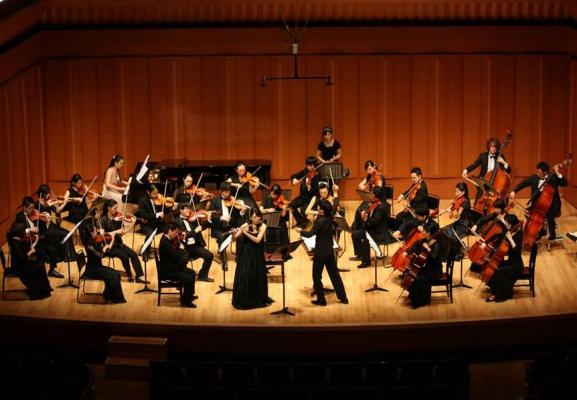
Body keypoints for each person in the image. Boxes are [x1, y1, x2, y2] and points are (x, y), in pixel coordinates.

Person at [300, 199, 348, 306]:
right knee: (334, 275)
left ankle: (321, 300)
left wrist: (301, 232)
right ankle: (343, 297)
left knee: (316, 276)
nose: (317, 208)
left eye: (318, 207)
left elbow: (310, 234)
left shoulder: (320, 221)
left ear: (322, 210)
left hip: (320, 252)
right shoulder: (330, 218)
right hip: (329, 250)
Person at [510, 161, 568, 241]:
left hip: (553, 204)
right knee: (528, 213)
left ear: (545, 172)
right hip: (538, 203)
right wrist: (514, 191)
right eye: (537, 171)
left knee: (549, 216)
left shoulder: (553, 177)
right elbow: (524, 183)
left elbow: (565, 183)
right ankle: (541, 231)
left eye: (539, 172)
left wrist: (558, 173)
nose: (537, 173)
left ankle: (553, 234)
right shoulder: (534, 177)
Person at [404, 232, 460, 309]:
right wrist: (410, 252)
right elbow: (418, 244)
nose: (427, 235)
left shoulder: (441, 244)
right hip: (429, 268)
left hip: (435, 271)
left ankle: (420, 301)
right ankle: (415, 297)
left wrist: (428, 248)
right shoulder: (432, 241)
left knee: (419, 278)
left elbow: (436, 259)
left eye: (428, 233)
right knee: (415, 275)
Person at [231, 208, 274, 310]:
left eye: (259, 216)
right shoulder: (245, 225)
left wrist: (246, 233)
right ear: (250, 217)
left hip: (257, 254)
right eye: (255, 217)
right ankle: (246, 299)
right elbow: (234, 238)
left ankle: (258, 298)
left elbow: (258, 240)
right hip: (246, 255)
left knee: (258, 275)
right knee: (247, 276)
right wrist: (234, 233)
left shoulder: (263, 226)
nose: (257, 218)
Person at [14, 196, 64, 278]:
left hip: (36, 241)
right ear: (24, 208)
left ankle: (51, 271)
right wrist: (30, 230)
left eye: (33, 207)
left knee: (53, 250)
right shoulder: (19, 216)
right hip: (28, 245)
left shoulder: (34, 213)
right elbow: (17, 231)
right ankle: (38, 275)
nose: (33, 210)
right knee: (42, 254)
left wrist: (45, 219)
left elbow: (42, 226)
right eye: (30, 208)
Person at [79, 219, 126, 303]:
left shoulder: (93, 242)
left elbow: (101, 252)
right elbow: (100, 255)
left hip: (98, 267)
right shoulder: (89, 246)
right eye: (95, 231)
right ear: (91, 233)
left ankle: (108, 295)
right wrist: (104, 249)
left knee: (116, 274)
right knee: (114, 275)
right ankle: (116, 298)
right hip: (93, 270)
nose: (97, 232)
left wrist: (108, 244)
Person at [100, 199, 147, 283]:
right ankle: (130, 276)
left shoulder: (118, 218)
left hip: (118, 243)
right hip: (109, 246)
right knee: (124, 256)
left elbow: (122, 232)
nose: (116, 210)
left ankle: (140, 276)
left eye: (117, 208)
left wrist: (132, 224)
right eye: (114, 208)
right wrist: (115, 232)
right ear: (108, 208)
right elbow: (103, 235)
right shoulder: (102, 220)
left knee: (133, 254)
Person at [7, 222, 52, 300]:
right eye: (23, 231)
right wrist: (31, 252)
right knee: (38, 267)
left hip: (21, 263)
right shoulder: (15, 243)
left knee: (40, 263)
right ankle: (38, 291)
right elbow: (21, 258)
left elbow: (23, 252)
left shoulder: (17, 239)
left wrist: (33, 244)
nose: (25, 232)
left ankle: (45, 289)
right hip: (19, 266)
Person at [485, 214, 525, 303]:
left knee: (500, 271)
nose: (506, 224)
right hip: (510, 262)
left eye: (507, 223)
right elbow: (497, 235)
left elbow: (517, 251)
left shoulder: (519, 234)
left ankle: (500, 295)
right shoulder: (509, 231)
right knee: (495, 266)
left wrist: (510, 239)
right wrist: (485, 242)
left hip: (516, 265)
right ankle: (495, 290)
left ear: (511, 224)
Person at [158, 223, 197, 308]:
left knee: (192, 272)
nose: (176, 234)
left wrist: (183, 254)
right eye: (175, 232)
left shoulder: (167, 239)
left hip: (172, 266)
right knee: (188, 278)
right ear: (169, 231)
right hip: (168, 271)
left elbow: (176, 251)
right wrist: (184, 256)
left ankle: (189, 295)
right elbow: (175, 256)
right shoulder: (165, 243)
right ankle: (186, 301)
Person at [351, 186, 391, 269]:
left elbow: (375, 222)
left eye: (371, 194)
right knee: (355, 234)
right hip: (372, 228)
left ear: (376, 196)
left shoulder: (382, 207)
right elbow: (370, 215)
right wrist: (365, 213)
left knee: (363, 238)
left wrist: (366, 219)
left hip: (378, 232)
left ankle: (366, 261)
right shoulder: (374, 203)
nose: (370, 196)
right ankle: (361, 255)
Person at [175, 203, 214, 282]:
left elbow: (201, 227)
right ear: (180, 210)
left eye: (189, 209)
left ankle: (202, 276)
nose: (189, 211)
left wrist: (208, 220)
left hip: (194, 245)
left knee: (209, 255)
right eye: (186, 209)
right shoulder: (177, 221)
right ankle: (183, 276)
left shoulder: (192, 219)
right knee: (183, 259)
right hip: (184, 247)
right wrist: (195, 231)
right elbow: (184, 235)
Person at [207, 182, 245, 250]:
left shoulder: (232, 200)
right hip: (218, 227)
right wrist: (221, 218)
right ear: (220, 191)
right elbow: (211, 215)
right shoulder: (215, 201)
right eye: (226, 192)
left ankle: (239, 254)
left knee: (241, 235)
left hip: (230, 226)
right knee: (222, 237)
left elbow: (237, 216)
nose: (228, 193)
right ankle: (222, 253)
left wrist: (242, 211)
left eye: (229, 191)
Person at [289, 156, 320, 229]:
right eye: (307, 165)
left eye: (311, 165)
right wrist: (293, 179)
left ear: (314, 165)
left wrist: (309, 186)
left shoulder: (317, 175)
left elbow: (315, 190)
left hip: (312, 198)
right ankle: (302, 221)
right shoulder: (305, 171)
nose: (309, 167)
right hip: (303, 196)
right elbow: (295, 175)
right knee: (291, 205)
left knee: (304, 210)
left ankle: (303, 225)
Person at [137, 184, 168, 253]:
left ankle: (166, 249)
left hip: (158, 222)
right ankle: (145, 251)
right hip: (148, 224)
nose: (156, 195)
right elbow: (143, 214)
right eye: (154, 193)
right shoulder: (142, 200)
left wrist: (165, 203)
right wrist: (157, 214)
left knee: (170, 230)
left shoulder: (159, 199)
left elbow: (166, 210)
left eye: (157, 193)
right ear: (148, 192)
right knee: (151, 234)